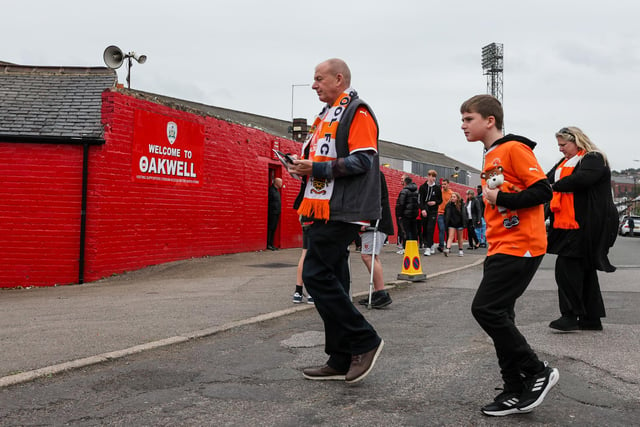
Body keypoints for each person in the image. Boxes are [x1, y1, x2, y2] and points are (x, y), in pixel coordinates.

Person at [461, 94, 558, 416]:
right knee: (501, 314)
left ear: (490, 120)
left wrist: (499, 195)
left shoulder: (514, 149)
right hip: (500, 244)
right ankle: (513, 389)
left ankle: (536, 370)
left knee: (486, 309)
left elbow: (543, 191)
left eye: (468, 118)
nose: (463, 125)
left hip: (522, 244)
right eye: (462, 120)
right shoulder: (491, 155)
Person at [289, 58, 384, 384]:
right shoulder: (325, 117)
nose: (314, 84)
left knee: (314, 275)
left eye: (319, 78)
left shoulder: (357, 111)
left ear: (339, 79)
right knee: (334, 278)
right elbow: (323, 159)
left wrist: (313, 169)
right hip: (324, 208)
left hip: (344, 210)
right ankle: (341, 356)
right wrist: (302, 166)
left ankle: (365, 340)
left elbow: (362, 161)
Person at [546, 126, 618, 332]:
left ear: (576, 141)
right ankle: (591, 318)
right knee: (584, 268)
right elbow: (547, 179)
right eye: (558, 145)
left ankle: (569, 315)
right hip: (570, 222)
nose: (560, 149)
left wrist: (552, 187)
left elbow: (580, 180)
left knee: (566, 267)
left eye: (563, 145)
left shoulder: (593, 158)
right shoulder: (565, 162)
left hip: (587, 223)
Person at [358, 173, 394, 309]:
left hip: (375, 223)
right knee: (373, 256)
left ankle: (380, 292)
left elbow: (374, 198)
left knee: (367, 256)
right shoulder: (376, 174)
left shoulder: (374, 175)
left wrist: (369, 221)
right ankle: (378, 291)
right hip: (377, 222)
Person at [418, 169, 442, 256]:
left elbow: (440, 200)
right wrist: (423, 209)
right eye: (431, 176)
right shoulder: (422, 187)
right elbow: (420, 200)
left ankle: (428, 248)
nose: (433, 178)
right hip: (425, 210)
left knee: (430, 228)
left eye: (434, 177)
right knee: (424, 229)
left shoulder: (437, 188)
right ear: (428, 176)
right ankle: (430, 244)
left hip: (433, 211)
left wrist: (435, 202)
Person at [395, 176, 419, 254]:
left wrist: (399, 214)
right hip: (414, 214)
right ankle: (414, 248)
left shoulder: (404, 191)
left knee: (405, 231)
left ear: (405, 182)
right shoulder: (416, 191)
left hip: (405, 215)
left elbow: (401, 204)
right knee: (414, 231)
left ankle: (405, 248)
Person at [292, 218, 314, 304]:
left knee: (304, 254)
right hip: (319, 223)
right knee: (315, 256)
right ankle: (311, 293)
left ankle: (298, 292)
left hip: (306, 222)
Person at [443, 191, 467, 257]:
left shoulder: (461, 204)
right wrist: (446, 221)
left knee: (460, 238)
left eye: (454, 197)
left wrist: (464, 222)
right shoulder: (448, 205)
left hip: (460, 223)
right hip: (451, 223)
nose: (452, 198)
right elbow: (446, 214)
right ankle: (448, 249)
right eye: (452, 197)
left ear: (457, 198)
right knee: (450, 236)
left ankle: (460, 250)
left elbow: (464, 214)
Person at [436, 178, 452, 252]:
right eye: (442, 184)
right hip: (440, 213)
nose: (443, 186)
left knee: (448, 231)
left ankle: (448, 246)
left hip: (448, 214)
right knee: (441, 229)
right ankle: (441, 246)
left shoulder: (451, 193)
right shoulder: (439, 192)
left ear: (448, 184)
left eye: (445, 184)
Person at [267, 177, 283, 250]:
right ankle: (269, 244)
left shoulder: (277, 191)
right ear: (276, 183)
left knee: (274, 228)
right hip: (272, 213)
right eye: (280, 182)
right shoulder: (271, 190)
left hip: (277, 212)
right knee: (270, 228)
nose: (281, 184)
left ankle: (272, 244)